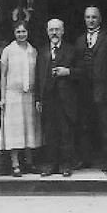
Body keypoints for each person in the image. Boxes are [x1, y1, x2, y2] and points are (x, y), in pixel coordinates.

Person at [36, 17, 82, 177]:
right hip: (48, 99)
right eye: (51, 30)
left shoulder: (71, 50)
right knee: (49, 132)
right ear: (47, 32)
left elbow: (83, 72)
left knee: (66, 132)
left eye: (57, 30)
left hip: (66, 99)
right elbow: (37, 76)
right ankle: (50, 165)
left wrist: (68, 72)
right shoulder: (41, 52)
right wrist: (38, 99)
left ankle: (66, 165)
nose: (54, 33)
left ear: (63, 31)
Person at [75, 6, 107, 171]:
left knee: (105, 126)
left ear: (100, 19)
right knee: (85, 125)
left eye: (94, 17)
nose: (91, 20)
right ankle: (85, 159)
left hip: (103, 90)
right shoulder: (79, 40)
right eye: (88, 17)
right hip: (85, 90)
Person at [0, 20, 42, 176]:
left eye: (24, 32)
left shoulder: (33, 51)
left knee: (29, 129)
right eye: (18, 32)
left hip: (29, 95)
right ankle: (15, 164)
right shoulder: (8, 50)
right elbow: (3, 75)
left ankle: (29, 163)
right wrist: (3, 97)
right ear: (14, 33)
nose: (21, 35)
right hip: (13, 95)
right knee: (14, 130)